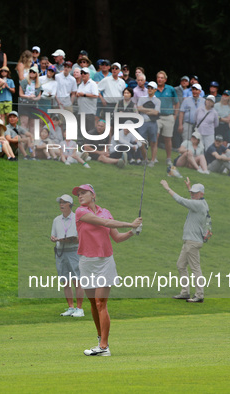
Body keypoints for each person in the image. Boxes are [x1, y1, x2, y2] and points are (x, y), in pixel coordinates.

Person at [72, 184, 141, 356]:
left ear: (93, 195)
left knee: (100, 303)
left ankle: (104, 347)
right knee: (93, 305)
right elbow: (104, 223)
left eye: (83, 193)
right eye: (78, 194)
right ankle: (100, 340)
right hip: (87, 262)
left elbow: (116, 238)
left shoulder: (106, 211)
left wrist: (132, 231)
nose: (80, 196)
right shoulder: (80, 212)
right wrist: (129, 223)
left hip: (105, 263)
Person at [160, 178, 208, 303]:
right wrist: (189, 188)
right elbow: (192, 199)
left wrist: (167, 188)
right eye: (191, 192)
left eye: (195, 193)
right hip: (189, 241)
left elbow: (181, 200)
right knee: (181, 265)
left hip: (192, 242)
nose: (192, 194)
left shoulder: (198, 205)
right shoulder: (200, 202)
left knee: (195, 268)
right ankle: (185, 292)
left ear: (201, 194)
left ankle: (199, 295)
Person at [51, 194, 84, 318]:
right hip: (60, 251)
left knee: (77, 280)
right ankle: (70, 307)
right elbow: (53, 235)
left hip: (74, 251)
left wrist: (71, 240)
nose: (61, 205)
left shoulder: (77, 218)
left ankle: (79, 308)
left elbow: (80, 237)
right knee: (65, 281)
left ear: (70, 205)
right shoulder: (56, 220)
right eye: (60, 202)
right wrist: (54, 239)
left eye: (64, 202)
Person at [154, 71, 180, 166]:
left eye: (161, 78)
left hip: (169, 116)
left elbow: (176, 103)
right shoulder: (153, 89)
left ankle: (168, 158)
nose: (160, 79)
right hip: (157, 117)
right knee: (155, 137)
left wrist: (175, 116)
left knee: (167, 139)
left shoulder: (171, 89)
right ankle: (154, 157)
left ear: (165, 79)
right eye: (158, 77)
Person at [137, 81, 161, 166]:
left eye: (151, 88)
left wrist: (145, 109)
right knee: (141, 142)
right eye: (149, 88)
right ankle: (145, 159)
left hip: (152, 123)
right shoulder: (142, 98)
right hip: (143, 122)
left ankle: (153, 161)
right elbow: (139, 108)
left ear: (155, 90)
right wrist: (150, 110)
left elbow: (156, 113)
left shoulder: (157, 101)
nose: (149, 89)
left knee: (153, 142)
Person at [178, 83, 204, 147]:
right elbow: (181, 113)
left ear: (200, 91)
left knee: (198, 142)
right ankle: (184, 155)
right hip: (187, 123)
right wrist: (180, 124)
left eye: (196, 90)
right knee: (186, 141)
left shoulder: (204, 101)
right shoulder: (186, 100)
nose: (194, 91)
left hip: (199, 125)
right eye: (193, 89)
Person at [18, 64, 42, 129]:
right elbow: (20, 94)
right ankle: (23, 138)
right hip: (24, 104)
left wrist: (34, 98)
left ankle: (32, 138)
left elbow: (39, 96)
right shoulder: (24, 81)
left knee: (32, 124)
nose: (32, 73)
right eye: (30, 71)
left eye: (33, 72)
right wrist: (28, 97)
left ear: (36, 74)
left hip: (34, 105)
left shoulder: (38, 83)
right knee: (24, 123)